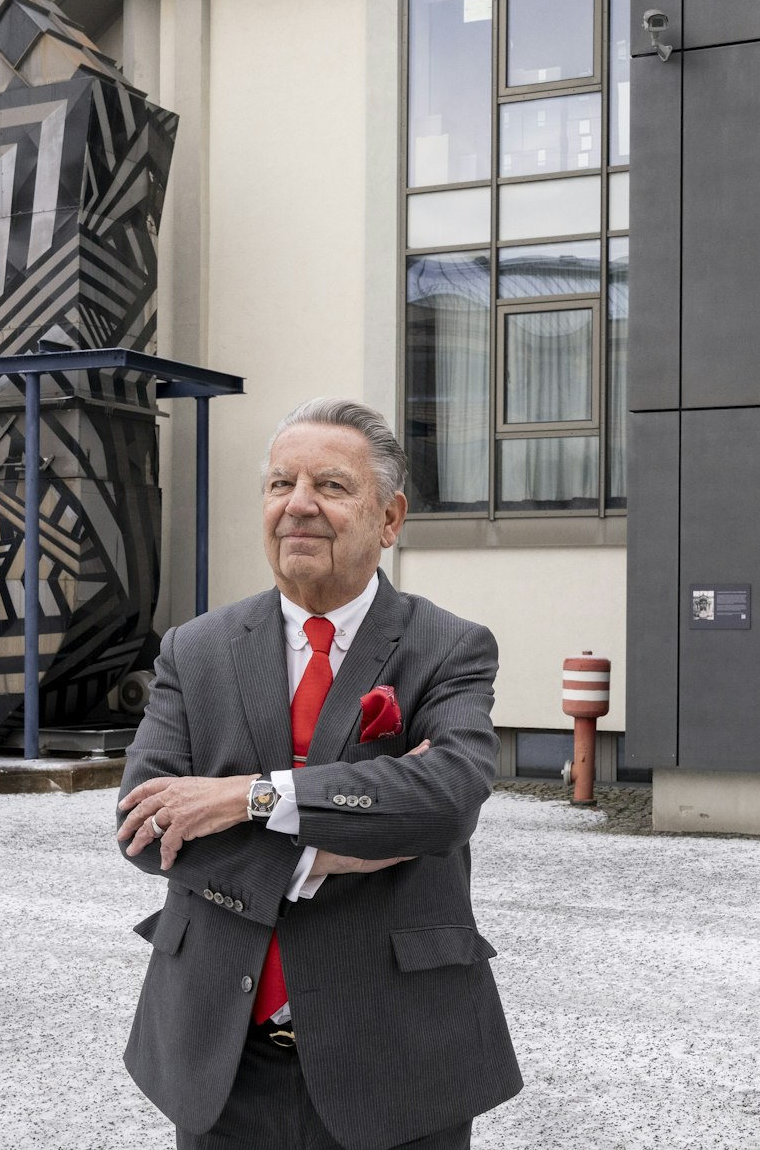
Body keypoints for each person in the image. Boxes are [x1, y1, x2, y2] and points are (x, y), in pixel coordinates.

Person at [114, 398, 521, 1150]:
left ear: (389, 518)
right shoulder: (194, 650)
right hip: (224, 1063)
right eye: (281, 483)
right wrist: (324, 853)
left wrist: (249, 798)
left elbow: (446, 799)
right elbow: (144, 827)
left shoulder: (448, 647)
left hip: (396, 1059)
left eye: (331, 485)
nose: (298, 504)